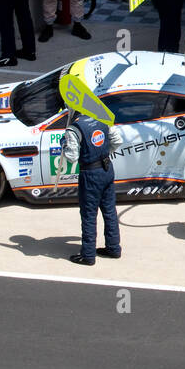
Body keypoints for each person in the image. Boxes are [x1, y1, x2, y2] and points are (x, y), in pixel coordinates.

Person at [62, 110, 120, 266]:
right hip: (107, 169)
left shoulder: (74, 129)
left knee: (88, 215)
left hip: (90, 173)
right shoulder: (101, 118)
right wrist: (105, 154)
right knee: (109, 210)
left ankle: (88, 255)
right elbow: (117, 141)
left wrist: (64, 144)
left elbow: (72, 157)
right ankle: (113, 248)